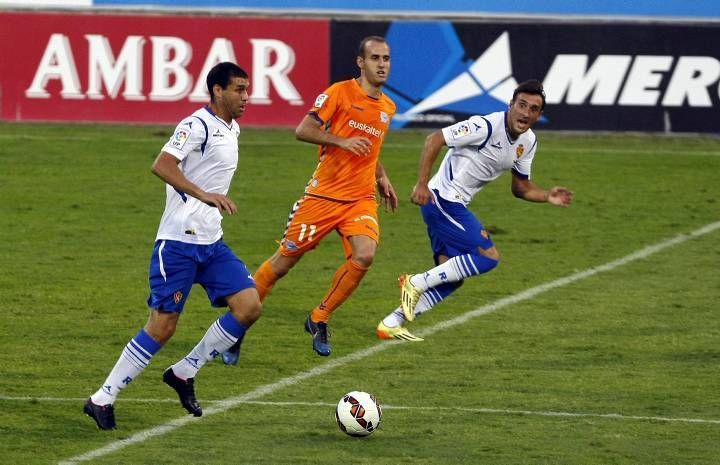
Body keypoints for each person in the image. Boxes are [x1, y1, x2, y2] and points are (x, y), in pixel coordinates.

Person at [83, 62, 261, 430]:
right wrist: (203, 195)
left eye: (247, 89)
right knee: (162, 328)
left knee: (249, 306)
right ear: (217, 91)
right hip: (178, 245)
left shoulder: (233, 128)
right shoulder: (195, 126)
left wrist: (209, 201)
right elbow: (162, 165)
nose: (246, 96)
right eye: (239, 89)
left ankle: (184, 371)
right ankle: (102, 398)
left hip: (211, 244)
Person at [222, 35, 397, 363]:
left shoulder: (388, 107)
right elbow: (303, 130)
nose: (382, 64)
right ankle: (236, 328)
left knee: (365, 254)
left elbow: (371, 149)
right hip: (322, 197)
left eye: (386, 58)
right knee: (282, 264)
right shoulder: (339, 93)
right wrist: (341, 142)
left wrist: (381, 176)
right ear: (361, 62)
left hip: (359, 199)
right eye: (375, 58)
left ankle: (319, 316)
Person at [376, 79, 573, 341]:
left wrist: (547, 195)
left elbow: (521, 187)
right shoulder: (486, 126)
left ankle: (392, 322)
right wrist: (422, 184)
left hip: (450, 204)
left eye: (533, 108)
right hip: (442, 201)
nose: (525, 113)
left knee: (451, 276)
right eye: (521, 105)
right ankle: (416, 282)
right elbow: (434, 139)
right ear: (510, 105)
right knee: (488, 257)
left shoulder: (528, 141)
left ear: (539, 114)